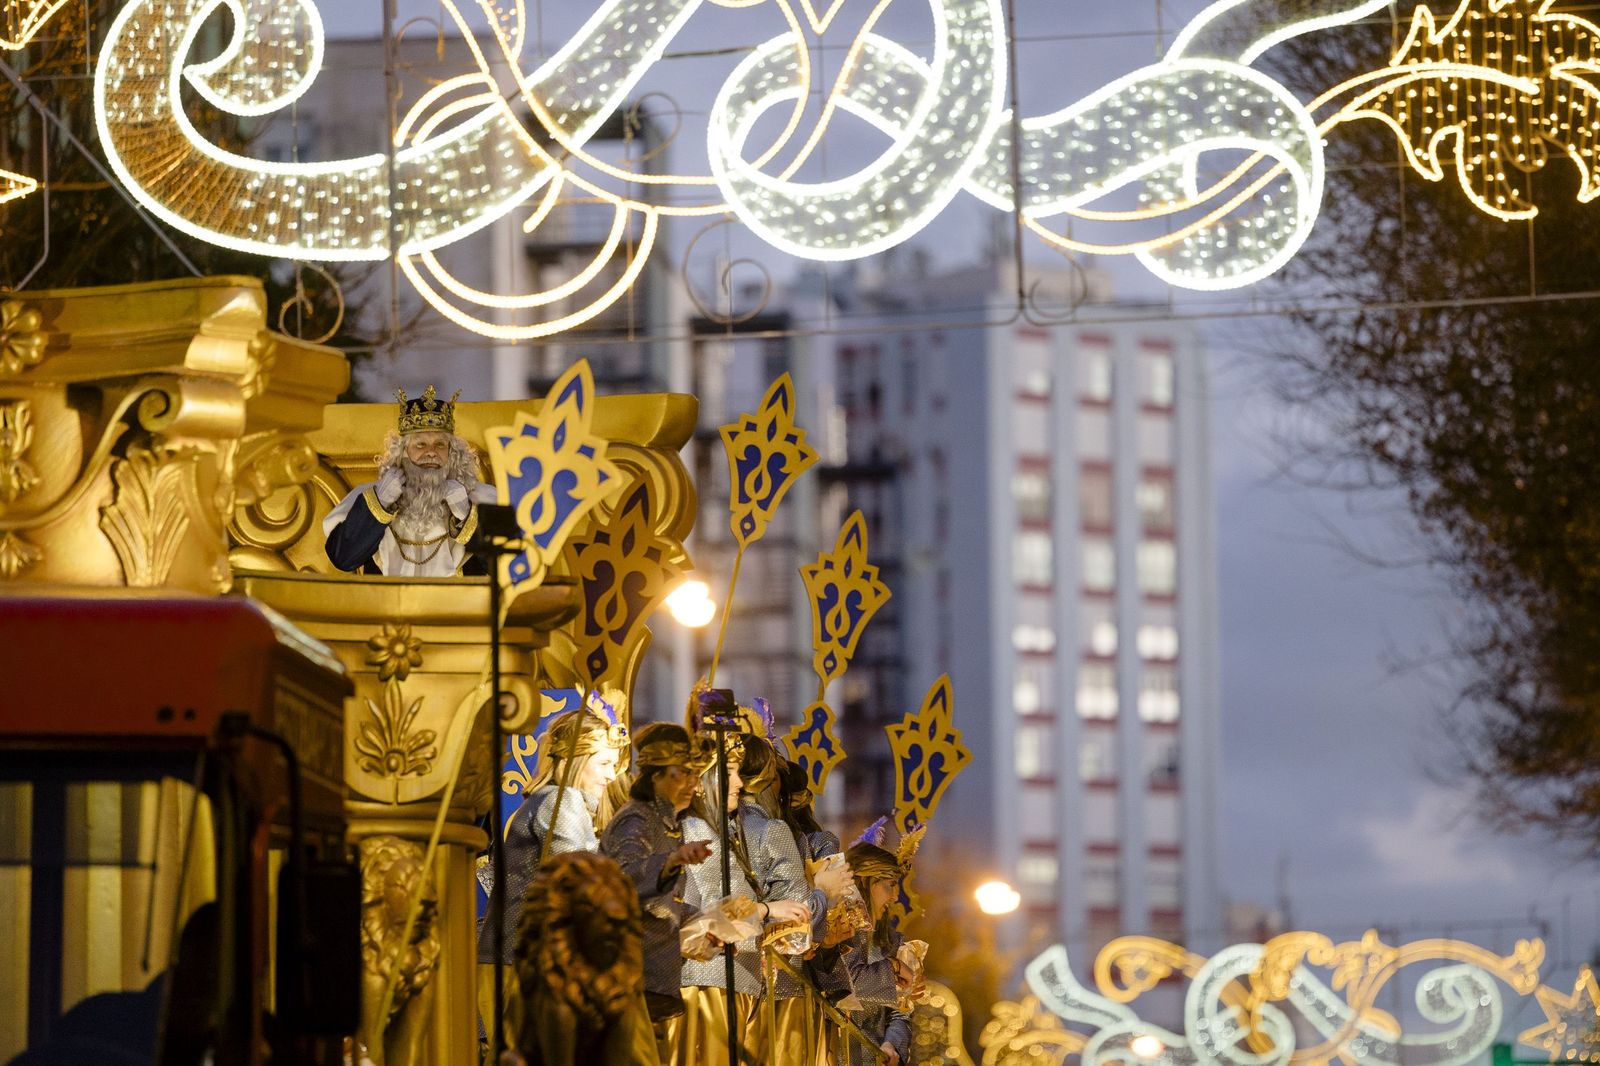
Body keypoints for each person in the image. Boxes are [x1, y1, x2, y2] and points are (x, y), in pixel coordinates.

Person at [476, 709, 628, 1049]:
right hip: (522, 962)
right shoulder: (562, 801)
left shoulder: (554, 802)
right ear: (576, 760)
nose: (611, 775)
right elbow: (582, 879)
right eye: (603, 763)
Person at [675, 694, 810, 1066]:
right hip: (709, 979)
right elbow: (728, 904)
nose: (739, 783)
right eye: (729, 772)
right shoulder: (698, 829)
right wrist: (770, 908)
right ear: (703, 780)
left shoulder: (722, 830)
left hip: (734, 980)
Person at [599, 723, 715, 1058]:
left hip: (651, 976)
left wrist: (709, 925)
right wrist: (671, 860)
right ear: (656, 777)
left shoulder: (667, 824)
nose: (694, 784)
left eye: (695, 775)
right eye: (683, 774)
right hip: (628, 973)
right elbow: (624, 881)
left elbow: (666, 902)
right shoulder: (637, 819)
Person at [323, 385, 495, 576]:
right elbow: (343, 558)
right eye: (420, 444)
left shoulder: (481, 497)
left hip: (462, 605)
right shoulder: (374, 496)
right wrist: (379, 504)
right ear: (402, 452)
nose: (431, 452)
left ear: (452, 454)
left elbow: (507, 567)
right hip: (387, 604)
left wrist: (467, 515)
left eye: (440, 445)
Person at [842, 831, 925, 1066]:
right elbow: (845, 982)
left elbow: (901, 1012)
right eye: (890, 885)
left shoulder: (891, 942)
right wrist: (894, 968)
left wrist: (891, 1044)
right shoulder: (834, 931)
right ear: (865, 883)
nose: (896, 896)